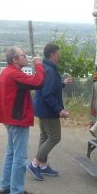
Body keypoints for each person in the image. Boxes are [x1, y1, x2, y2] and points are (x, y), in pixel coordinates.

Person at [0, 47, 44, 194]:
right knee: (19, 157)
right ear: (15, 59)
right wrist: (39, 65)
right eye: (23, 55)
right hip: (17, 119)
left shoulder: (7, 72)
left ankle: (5, 185)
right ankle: (16, 191)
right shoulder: (14, 73)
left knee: (11, 153)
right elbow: (37, 82)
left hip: (9, 118)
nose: (26, 57)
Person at [27, 43, 72, 181]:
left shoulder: (46, 68)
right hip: (48, 110)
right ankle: (34, 164)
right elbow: (48, 94)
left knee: (45, 136)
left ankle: (43, 166)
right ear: (52, 55)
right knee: (54, 137)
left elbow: (48, 88)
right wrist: (60, 110)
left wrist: (62, 84)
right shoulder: (51, 71)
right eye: (58, 54)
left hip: (41, 108)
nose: (60, 56)